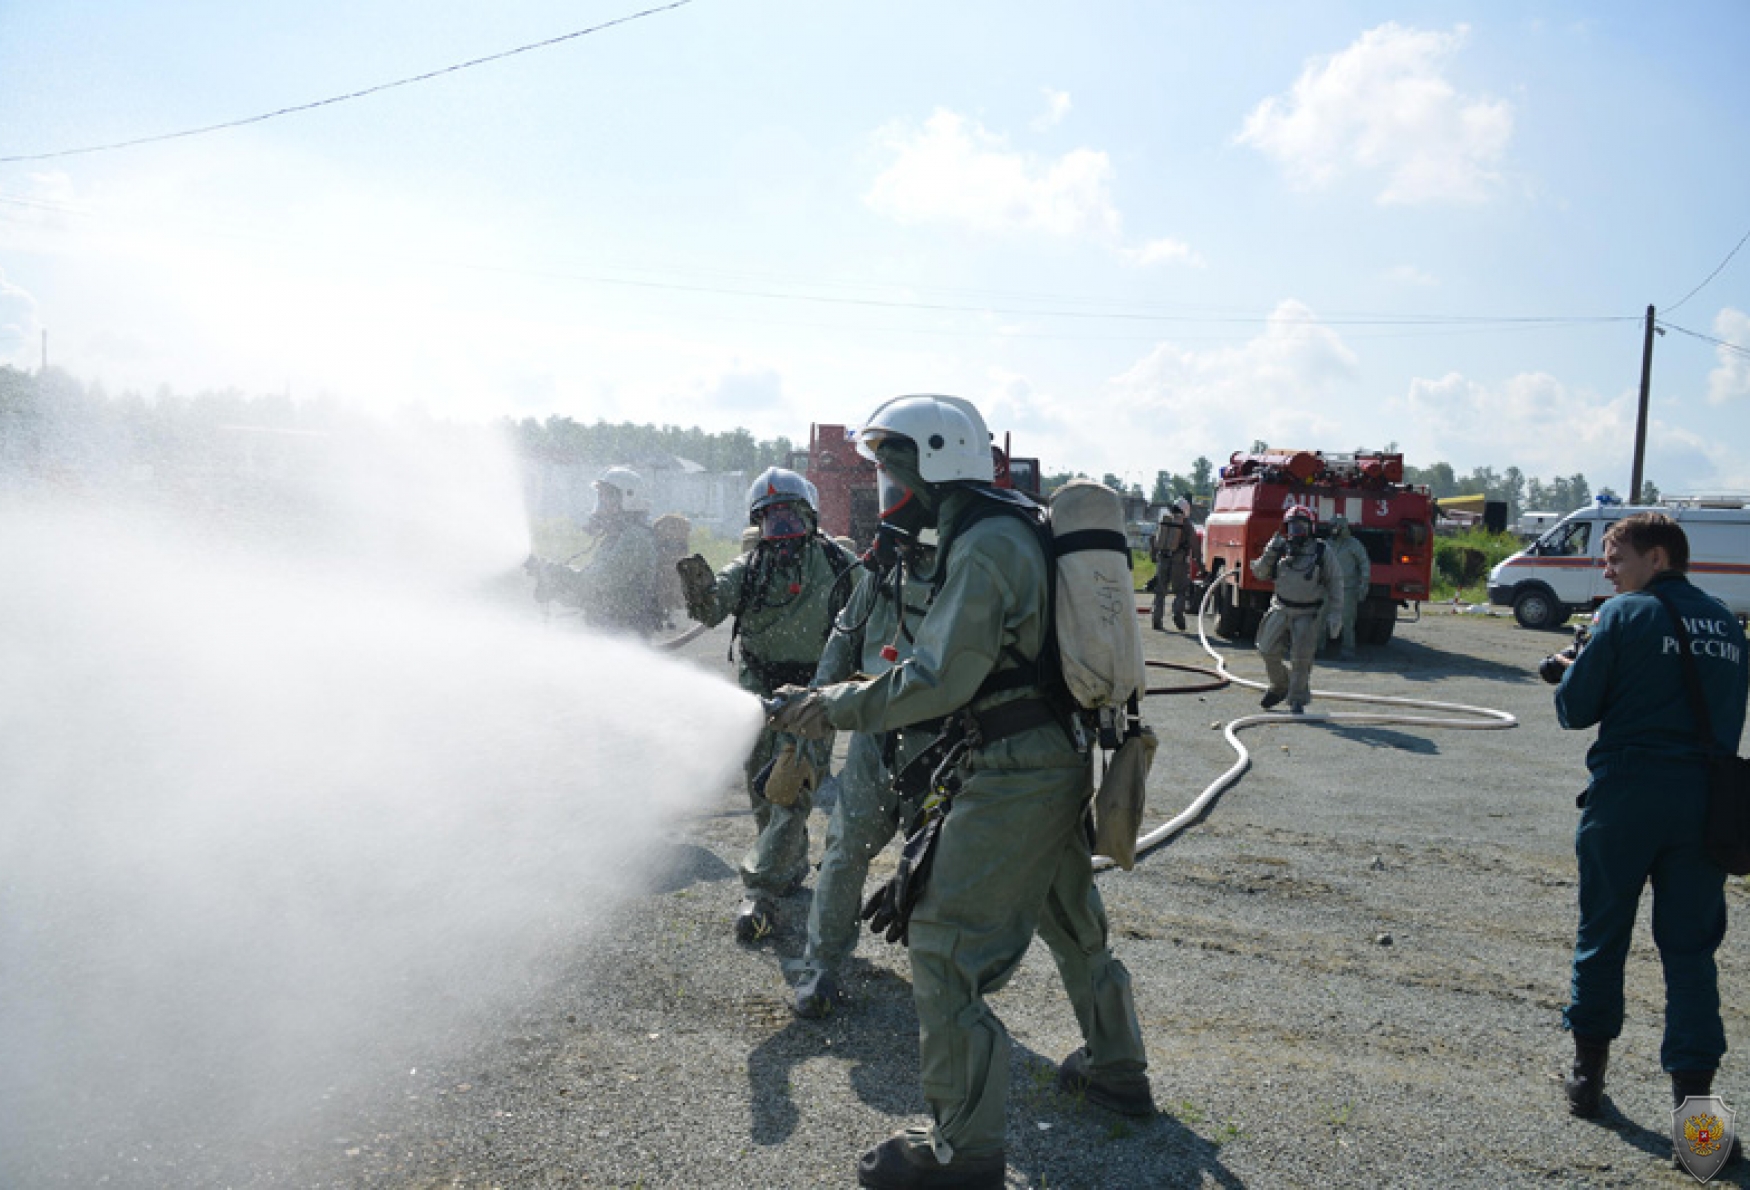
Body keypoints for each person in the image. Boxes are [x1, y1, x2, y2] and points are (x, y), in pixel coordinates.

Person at [771, 394, 1150, 1190]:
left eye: (893, 465)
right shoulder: (1008, 522)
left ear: (936, 460)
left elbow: (941, 678)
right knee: (1073, 923)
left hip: (1013, 772)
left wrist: (834, 703)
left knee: (944, 947)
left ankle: (961, 1151)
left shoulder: (983, 546)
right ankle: (1117, 1070)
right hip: (1051, 761)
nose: (885, 483)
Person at [1551, 513, 1748, 1128]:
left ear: (1657, 557)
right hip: (1707, 805)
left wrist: (1574, 666)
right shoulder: (1728, 624)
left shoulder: (1622, 615)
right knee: (1691, 955)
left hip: (1629, 795)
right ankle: (1700, 1131)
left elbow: (1574, 709)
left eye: (1615, 556)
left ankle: (1587, 1082)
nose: (1606, 568)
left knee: (1602, 937)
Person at [676, 467, 856, 942]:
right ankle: (787, 864)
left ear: (810, 518)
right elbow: (711, 610)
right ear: (758, 525)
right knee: (762, 787)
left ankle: (761, 890)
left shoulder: (838, 564)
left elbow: (868, 618)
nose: (782, 531)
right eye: (771, 521)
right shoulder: (747, 570)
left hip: (814, 692)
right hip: (758, 691)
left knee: (791, 787)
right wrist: (698, 587)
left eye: (790, 519)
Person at [786, 531, 939, 1019]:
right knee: (845, 848)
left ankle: (943, 985)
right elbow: (843, 641)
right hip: (876, 735)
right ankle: (820, 966)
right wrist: (806, 720)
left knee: (937, 865)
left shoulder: (973, 563)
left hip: (945, 743)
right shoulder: (880, 568)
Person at [525, 466, 661, 635]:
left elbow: (594, 584)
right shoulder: (616, 537)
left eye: (608, 497)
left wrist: (554, 572)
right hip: (610, 628)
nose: (602, 504)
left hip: (623, 632)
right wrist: (554, 586)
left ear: (628, 498)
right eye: (601, 497)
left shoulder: (635, 539)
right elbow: (587, 595)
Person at [1249, 504, 1343, 714]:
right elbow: (1261, 574)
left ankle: (1297, 697)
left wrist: (1336, 614)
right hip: (1280, 606)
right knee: (1266, 648)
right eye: (1292, 527)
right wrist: (1270, 552)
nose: (1296, 532)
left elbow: (1336, 582)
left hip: (1307, 613)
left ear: (1311, 527)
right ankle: (1280, 685)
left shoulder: (1321, 551)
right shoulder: (1280, 548)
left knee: (1301, 657)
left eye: (1301, 526)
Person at [1325, 514, 1371, 661]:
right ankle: (1319, 647)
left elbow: (1364, 564)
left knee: (1347, 620)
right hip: (1328, 587)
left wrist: (1364, 584)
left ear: (1343, 528)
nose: (1333, 529)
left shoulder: (1354, 545)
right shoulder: (1327, 544)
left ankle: (1348, 649)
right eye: (1332, 526)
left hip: (1348, 588)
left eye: (1336, 526)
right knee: (1321, 619)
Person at [1150, 495, 1198, 632]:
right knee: (1181, 591)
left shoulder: (1164, 521)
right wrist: (1200, 564)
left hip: (1162, 559)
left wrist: (1154, 556)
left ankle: (1156, 619)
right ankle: (1178, 615)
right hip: (1179, 562)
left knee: (1160, 591)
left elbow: (1154, 540)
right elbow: (1195, 546)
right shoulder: (1187, 525)